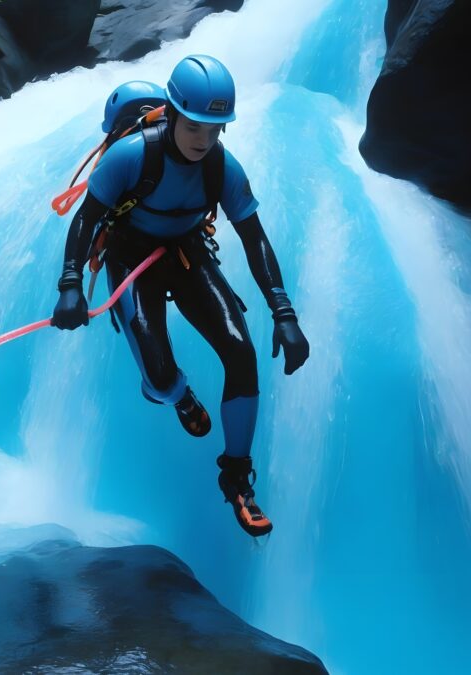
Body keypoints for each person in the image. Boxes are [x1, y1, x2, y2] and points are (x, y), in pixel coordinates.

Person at [51, 55, 310, 537]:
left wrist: (284, 313)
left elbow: (255, 238)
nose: (204, 140)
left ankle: (237, 478)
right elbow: (86, 219)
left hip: (187, 253)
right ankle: (179, 396)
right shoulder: (130, 157)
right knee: (160, 376)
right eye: (195, 126)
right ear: (171, 112)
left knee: (240, 351)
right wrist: (69, 285)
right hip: (131, 259)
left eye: (215, 130)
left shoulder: (221, 167)